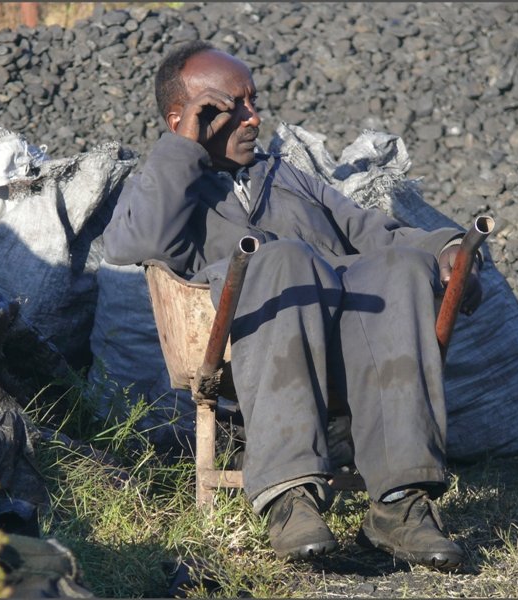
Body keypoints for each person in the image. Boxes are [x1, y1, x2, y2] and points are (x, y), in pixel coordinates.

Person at [102, 40, 482, 570]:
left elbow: (376, 234)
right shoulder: (169, 185)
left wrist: (446, 250)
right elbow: (131, 244)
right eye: (229, 107)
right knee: (280, 260)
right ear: (185, 117)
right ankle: (289, 498)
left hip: (343, 340)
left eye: (253, 101)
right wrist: (183, 147)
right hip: (244, 343)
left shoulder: (289, 179)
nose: (252, 118)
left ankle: (399, 506)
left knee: (399, 267)